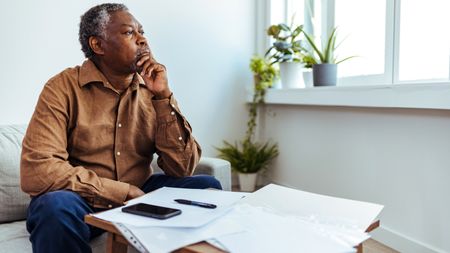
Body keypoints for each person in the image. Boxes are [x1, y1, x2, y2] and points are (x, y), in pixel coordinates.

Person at [20, 3, 221, 253]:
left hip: (142, 196)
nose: (142, 39)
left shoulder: (153, 89)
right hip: (81, 201)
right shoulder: (62, 88)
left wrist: (163, 97)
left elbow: (182, 168)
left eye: (142, 32)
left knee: (207, 188)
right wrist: (120, 191)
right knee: (54, 206)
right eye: (129, 33)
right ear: (98, 45)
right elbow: (38, 170)